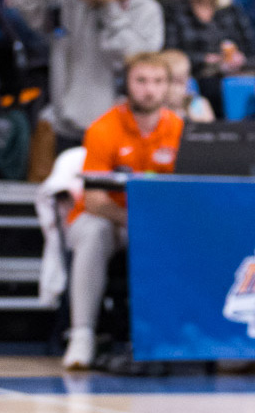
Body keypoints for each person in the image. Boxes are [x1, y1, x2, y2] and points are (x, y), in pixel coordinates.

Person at [59, 51, 181, 370]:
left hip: (154, 222)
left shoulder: (180, 130)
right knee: (94, 232)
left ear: (168, 87)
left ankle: (173, 336)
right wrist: (137, 223)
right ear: (126, 84)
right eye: (141, 80)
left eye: (157, 81)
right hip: (108, 218)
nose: (149, 89)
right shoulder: (103, 129)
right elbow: (96, 200)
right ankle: (82, 334)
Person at [6, 0, 165, 150]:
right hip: (69, 124)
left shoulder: (146, 8)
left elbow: (138, 60)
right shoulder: (68, 3)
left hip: (124, 126)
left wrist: (110, 7)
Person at [162, 0, 255, 117]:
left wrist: (240, 59)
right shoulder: (172, 10)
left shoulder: (233, 10)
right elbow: (170, 54)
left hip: (231, 76)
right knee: (211, 86)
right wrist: (208, 60)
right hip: (194, 78)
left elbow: (254, 53)